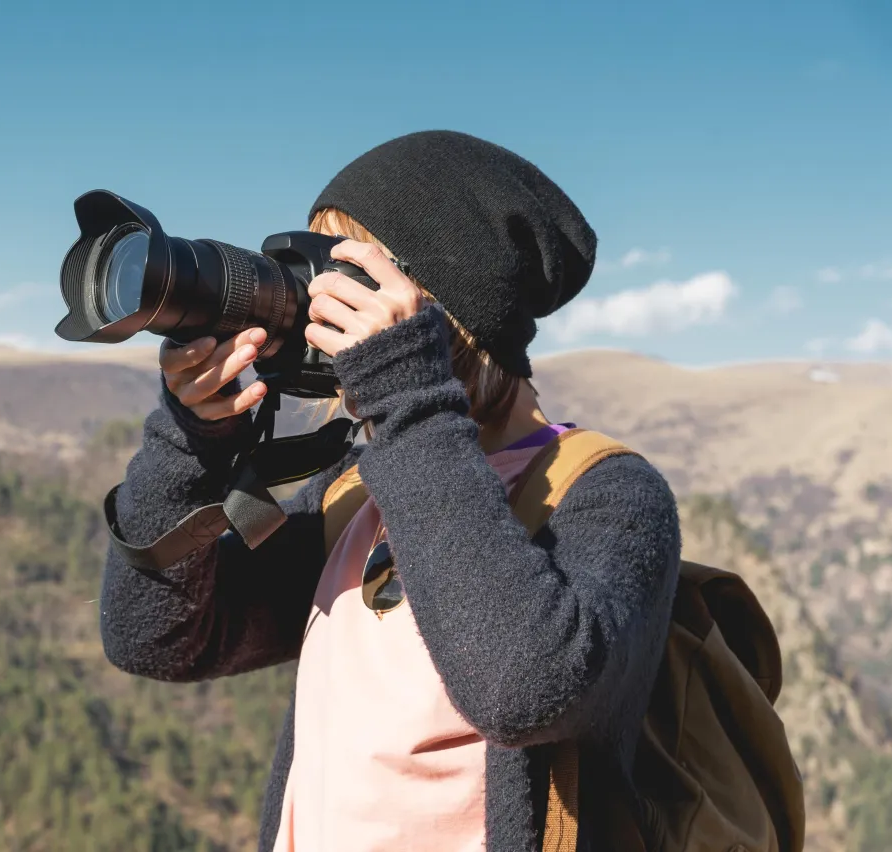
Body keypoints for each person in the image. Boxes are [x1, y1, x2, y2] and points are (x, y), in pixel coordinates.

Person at [99, 130, 682, 852]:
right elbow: (154, 639)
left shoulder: (605, 495)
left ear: (448, 304)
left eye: (351, 274)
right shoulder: (357, 492)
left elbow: (523, 690)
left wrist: (407, 396)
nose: (322, 304)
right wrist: (191, 441)